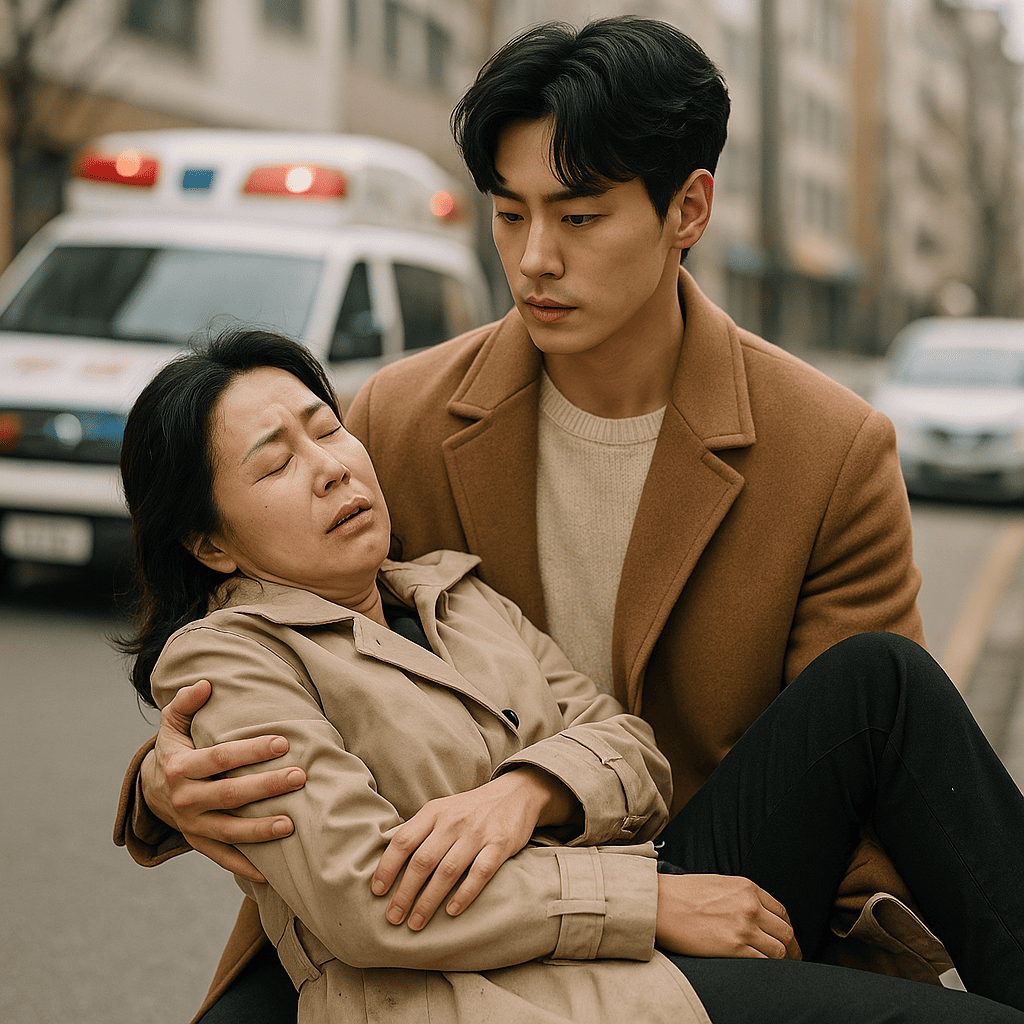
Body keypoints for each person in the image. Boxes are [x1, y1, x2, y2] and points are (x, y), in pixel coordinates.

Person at [114, 16, 938, 1020]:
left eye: (579, 218)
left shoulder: (831, 447)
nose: (534, 258)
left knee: (882, 682)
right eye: (509, 214)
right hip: (445, 899)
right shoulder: (399, 419)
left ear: (688, 208)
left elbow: (855, 773)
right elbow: (285, 633)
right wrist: (168, 782)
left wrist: (541, 796)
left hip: (712, 867)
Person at [117, 327, 1024, 1024]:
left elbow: (635, 753)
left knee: (879, 677)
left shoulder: (452, 594)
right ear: (209, 543)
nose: (330, 469)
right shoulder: (228, 656)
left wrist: (528, 791)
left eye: (328, 431)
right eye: (277, 463)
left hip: (623, 913)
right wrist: (647, 902)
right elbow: (367, 903)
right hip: (491, 991)